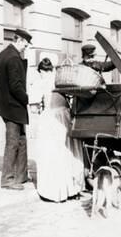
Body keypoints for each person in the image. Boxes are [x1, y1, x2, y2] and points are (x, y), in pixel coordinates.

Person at [35, 59, 85, 202]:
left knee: (52, 152)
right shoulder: (61, 79)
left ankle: (55, 191)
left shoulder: (42, 82)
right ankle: (73, 189)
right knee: (68, 150)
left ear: (42, 71)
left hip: (52, 118)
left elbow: (34, 106)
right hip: (65, 115)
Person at [0, 29, 32, 190]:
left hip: (6, 104)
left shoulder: (2, 54)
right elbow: (15, 86)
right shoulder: (13, 58)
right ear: (19, 40)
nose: (25, 48)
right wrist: (28, 99)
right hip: (12, 105)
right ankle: (7, 179)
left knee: (21, 139)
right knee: (13, 141)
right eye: (25, 45)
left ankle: (21, 175)